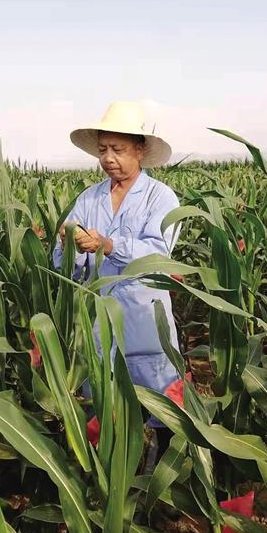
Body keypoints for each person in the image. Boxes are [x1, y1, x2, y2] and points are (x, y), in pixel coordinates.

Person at [52, 101, 181, 404]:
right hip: (98, 327)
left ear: (139, 150)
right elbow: (66, 270)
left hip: (146, 325)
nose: (108, 158)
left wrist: (108, 246)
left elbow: (158, 256)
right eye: (102, 150)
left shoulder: (160, 198)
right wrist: (68, 246)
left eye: (118, 149)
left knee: (162, 412)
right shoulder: (88, 199)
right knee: (103, 412)